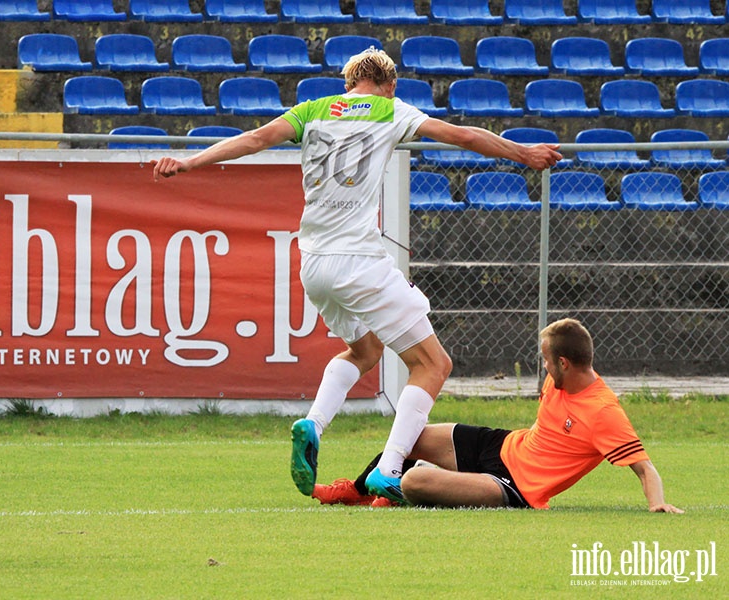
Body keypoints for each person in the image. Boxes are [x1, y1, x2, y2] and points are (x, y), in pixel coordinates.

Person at [152, 48, 561, 503]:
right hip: (359, 262)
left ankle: (313, 423)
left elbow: (253, 139)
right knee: (432, 364)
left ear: (348, 83)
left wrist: (189, 162)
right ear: (390, 84)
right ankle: (389, 470)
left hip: (314, 264)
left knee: (363, 350)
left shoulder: (313, 109)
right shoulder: (390, 109)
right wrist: (522, 152)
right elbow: (462, 135)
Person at [313, 318, 684, 513]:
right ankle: (356, 490)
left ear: (564, 363)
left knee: (412, 482)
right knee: (411, 437)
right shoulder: (561, 379)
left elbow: (644, 467)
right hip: (503, 444)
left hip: (516, 488)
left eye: (545, 358)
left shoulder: (604, 412)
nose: (542, 364)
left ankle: (412, 489)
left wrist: (657, 503)